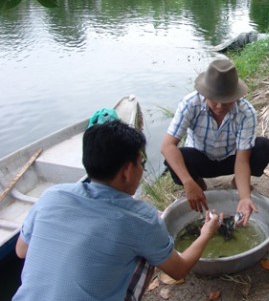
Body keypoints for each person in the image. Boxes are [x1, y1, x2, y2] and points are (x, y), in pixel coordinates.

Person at [13, 120, 222, 301]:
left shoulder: (52, 195)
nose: (142, 169)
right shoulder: (140, 218)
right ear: (127, 171)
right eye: (141, 163)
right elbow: (179, 270)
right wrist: (207, 232)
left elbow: (21, 251)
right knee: (149, 245)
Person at [161, 59, 269, 226]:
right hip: (201, 158)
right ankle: (199, 185)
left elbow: (242, 159)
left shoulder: (246, 112)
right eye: (214, 99)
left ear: (235, 96)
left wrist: (244, 197)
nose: (220, 106)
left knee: (263, 146)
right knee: (175, 158)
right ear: (205, 93)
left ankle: (238, 183)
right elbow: (167, 146)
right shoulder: (190, 104)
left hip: (231, 159)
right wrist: (188, 182)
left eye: (226, 100)